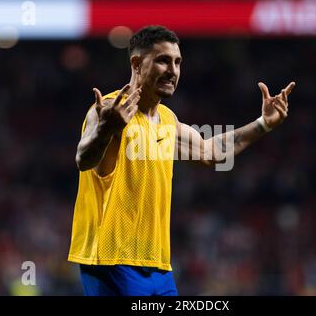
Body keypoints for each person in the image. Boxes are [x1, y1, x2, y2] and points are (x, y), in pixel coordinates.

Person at [68, 25, 295, 296]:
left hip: (157, 265)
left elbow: (211, 153)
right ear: (137, 64)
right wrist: (107, 129)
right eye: (163, 60)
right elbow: (84, 158)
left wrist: (263, 124)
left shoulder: (167, 120)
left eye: (177, 62)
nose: (173, 70)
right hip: (111, 261)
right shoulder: (106, 110)